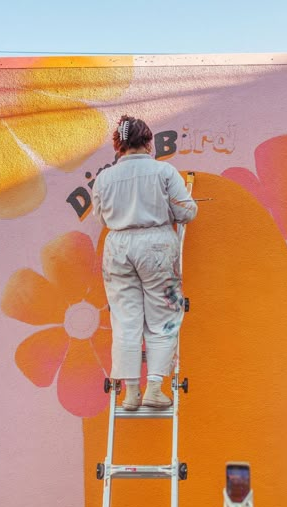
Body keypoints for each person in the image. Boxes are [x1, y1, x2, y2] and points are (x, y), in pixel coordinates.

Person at [92, 115, 198, 410]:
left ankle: (131, 393)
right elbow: (187, 212)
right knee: (162, 317)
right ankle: (154, 388)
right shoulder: (163, 171)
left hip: (118, 248)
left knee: (125, 320)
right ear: (148, 142)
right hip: (156, 246)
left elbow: (100, 218)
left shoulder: (104, 178)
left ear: (119, 145)